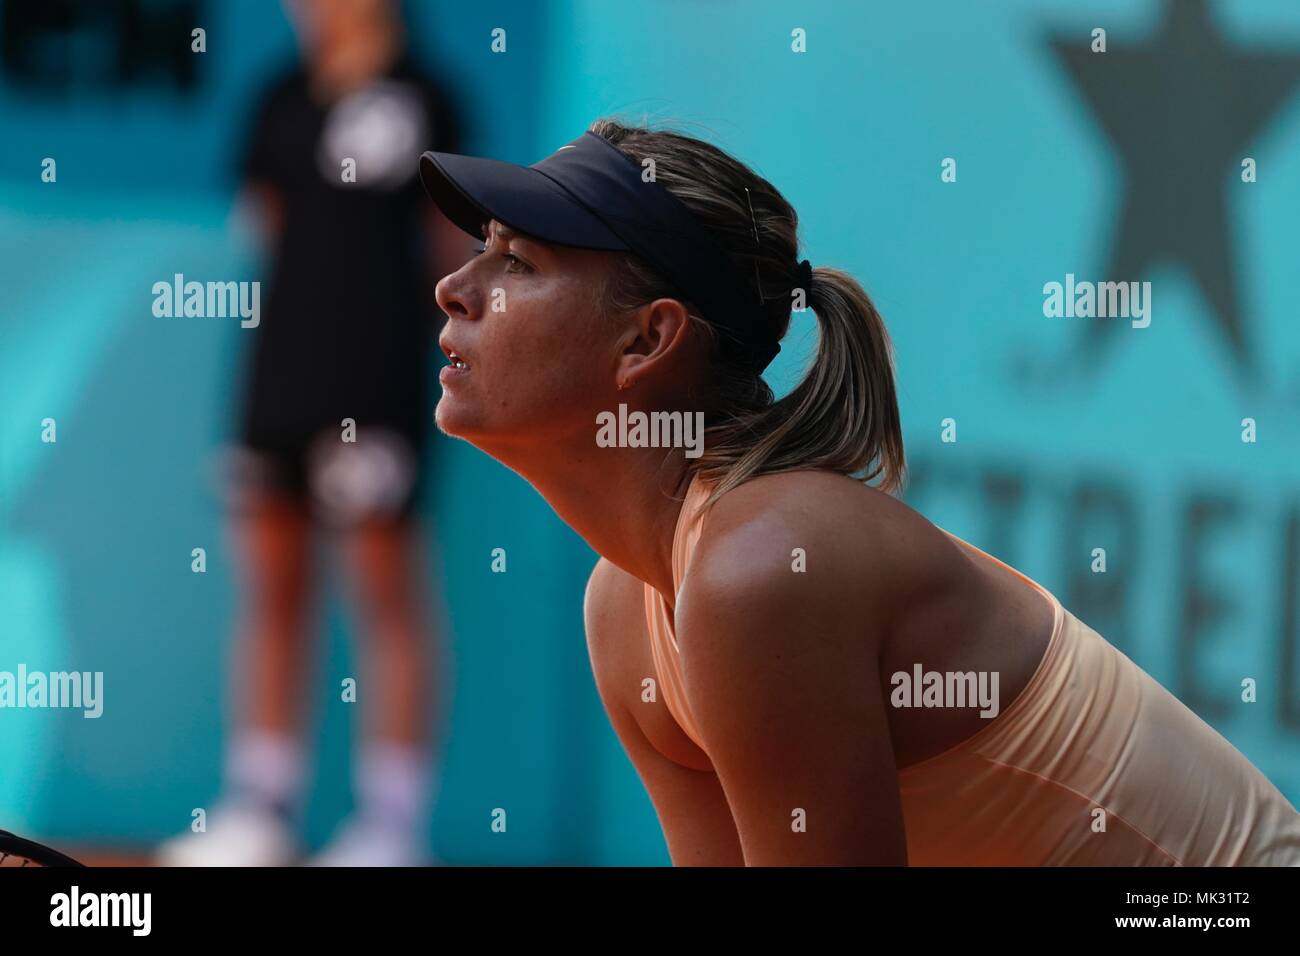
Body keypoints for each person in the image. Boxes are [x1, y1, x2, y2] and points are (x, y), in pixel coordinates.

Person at [416, 118, 1300, 865]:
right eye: (480, 254)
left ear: (649, 342)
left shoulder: (759, 569)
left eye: (519, 263)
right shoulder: (626, 609)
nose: (455, 288)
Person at [158, 0, 471, 866]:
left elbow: (452, 255)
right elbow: (267, 228)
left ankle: (392, 828)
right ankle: (259, 809)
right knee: (270, 583)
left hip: (374, 388)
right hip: (274, 385)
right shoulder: (277, 96)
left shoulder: (430, 98)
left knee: (384, 589)